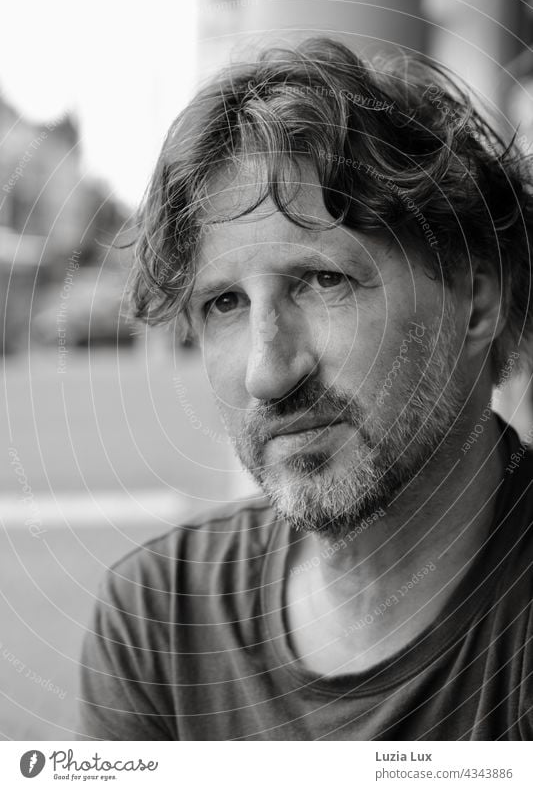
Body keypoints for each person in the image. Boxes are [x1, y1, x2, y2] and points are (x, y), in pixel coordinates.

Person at [76, 37, 533, 741]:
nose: (268, 371)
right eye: (224, 303)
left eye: (324, 281)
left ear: (472, 304)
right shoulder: (157, 622)